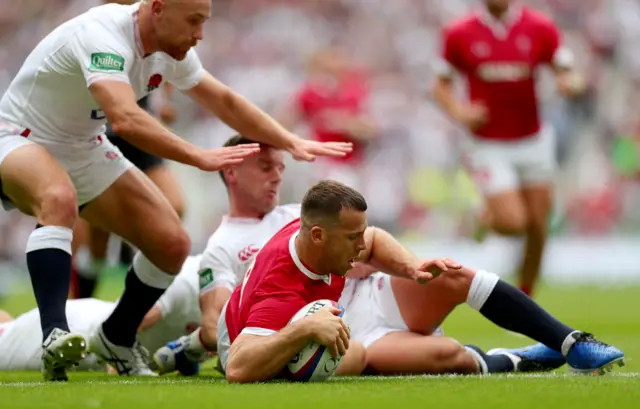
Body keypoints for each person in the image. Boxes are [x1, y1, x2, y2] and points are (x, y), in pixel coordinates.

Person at [0, 0, 352, 381]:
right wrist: (198, 155)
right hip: (20, 136)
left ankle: (115, 337)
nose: (200, 33)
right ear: (158, 9)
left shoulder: (169, 49)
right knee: (58, 198)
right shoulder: (103, 34)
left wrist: (288, 140)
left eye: (204, 22)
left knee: (171, 244)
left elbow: (223, 100)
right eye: (194, 21)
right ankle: (54, 333)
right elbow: (125, 117)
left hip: (82, 145)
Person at [154, 137, 624, 378]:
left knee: (451, 275)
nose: (276, 176)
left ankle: (571, 344)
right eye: (265, 167)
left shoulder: (302, 217)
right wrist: (300, 328)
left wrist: (411, 269)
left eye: (280, 167)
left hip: (347, 295)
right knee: (447, 356)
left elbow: (371, 240)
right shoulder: (244, 258)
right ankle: (518, 360)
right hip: (311, 326)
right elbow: (233, 356)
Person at [432, 0, 585, 297]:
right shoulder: (459, 32)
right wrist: (458, 111)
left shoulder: (540, 26)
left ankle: (526, 296)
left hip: (533, 139)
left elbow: (566, 69)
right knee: (514, 223)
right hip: (488, 143)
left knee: (539, 226)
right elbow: (441, 85)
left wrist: (570, 82)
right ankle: (484, 216)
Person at [0, 255, 204, 372]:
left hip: (91, 335)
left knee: (9, 330)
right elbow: (132, 322)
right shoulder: (190, 279)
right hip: (82, 330)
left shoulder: (220, 282)